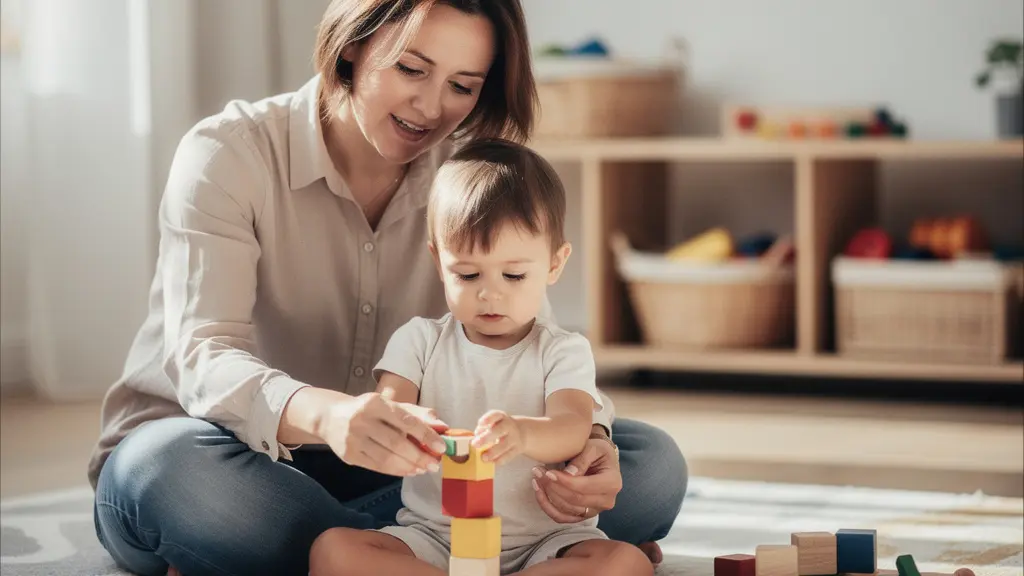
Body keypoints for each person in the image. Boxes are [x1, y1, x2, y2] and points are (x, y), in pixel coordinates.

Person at [88, 1, 687, 575]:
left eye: (463, 85)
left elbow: (535, 346)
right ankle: (480, 552)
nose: (430, 107)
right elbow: (204, 355)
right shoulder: (228, 153)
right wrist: (329, 417)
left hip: (416, 485)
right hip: (235, 456)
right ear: (352, 45)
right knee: (163, 471)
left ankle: (342, 555)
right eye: (411, 69)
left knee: (650, 465)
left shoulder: (471, 181)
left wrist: (594, 447)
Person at [310, 139, 652, 576]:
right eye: (467, 274)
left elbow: (572, 428)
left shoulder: (562, 349)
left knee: (624, 563)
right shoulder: (419, 341)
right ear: (438, 261)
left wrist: (522, 436)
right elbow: (389, 408)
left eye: (513, 274)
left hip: (546, 541)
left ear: (554, 263)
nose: (490, 293)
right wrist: (412, 426)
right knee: (333, 551)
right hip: (435, 535)